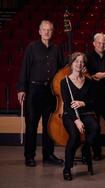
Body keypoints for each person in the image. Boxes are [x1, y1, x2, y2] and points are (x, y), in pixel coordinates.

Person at [17, 20, 64, 167]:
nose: (47, 32)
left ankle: (48, 155)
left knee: (48, 125)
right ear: (39, 31)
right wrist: (21, 89)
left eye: (49, 30)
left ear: (53, 31)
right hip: (34, 91)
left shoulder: (57, 49)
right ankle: (29, 156)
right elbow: (24, 68)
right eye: (44, 29)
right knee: (31, 125)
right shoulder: (32, 47)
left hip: (50, 92)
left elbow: (62, 71)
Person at [61, 52, 99, 181]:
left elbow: (94, 102)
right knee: (74, 136)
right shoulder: (64, 82)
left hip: (85, 113)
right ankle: (67, 168)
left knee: (95, 128)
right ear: (72, 64)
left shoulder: (88, 81)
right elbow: (67, 106)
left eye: (82, 61)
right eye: (76, 61)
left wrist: (82, 103)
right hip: (70, 116)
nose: (79, 64)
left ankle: (85, 149)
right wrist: (76, 120)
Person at [85, 33, 105, 160]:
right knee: (95, 126)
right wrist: (92, 76)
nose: (102, 45)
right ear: (94, 43)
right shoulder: (88, 57)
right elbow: (85, 73)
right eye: (99, 43)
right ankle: (96, 152)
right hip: (92, 96)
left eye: (104, 43)